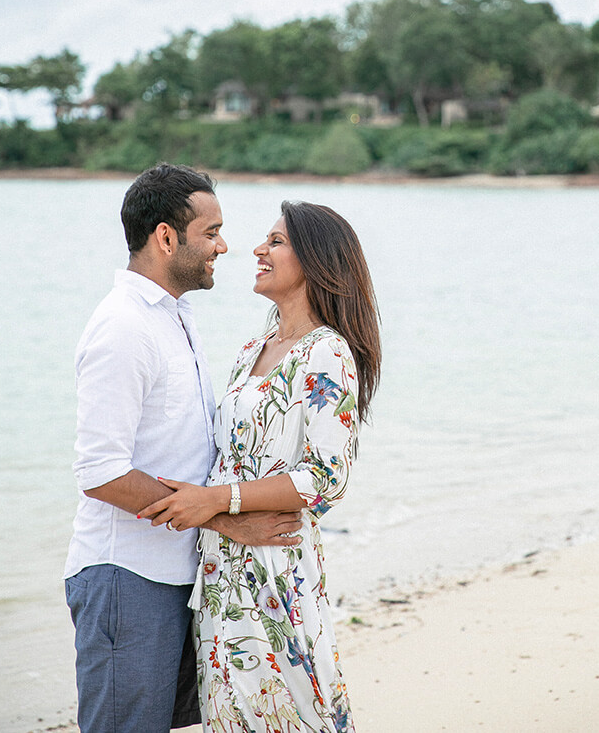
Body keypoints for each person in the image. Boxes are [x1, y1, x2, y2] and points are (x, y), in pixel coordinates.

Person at [64, 164, 302, 733]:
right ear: (166, 237)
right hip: (127, 575)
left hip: (174, 574)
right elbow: (99, 471)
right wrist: (225, 518)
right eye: (211, 231)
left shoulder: (174, 316)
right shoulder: (123, 327)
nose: (224, 246)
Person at [139, 200, 381, 733]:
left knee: (289, 714)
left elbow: (324, 477)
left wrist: (218, 501)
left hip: (278, 570)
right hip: (222, 571)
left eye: (276, 241)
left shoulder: (327, 353)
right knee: (230, 718)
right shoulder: (253, 348)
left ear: (316, 261)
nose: (257, 249)